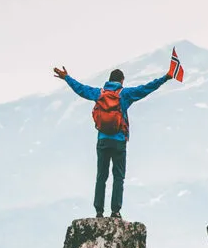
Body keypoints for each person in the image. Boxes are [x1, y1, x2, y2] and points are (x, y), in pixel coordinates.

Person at [53, 63, 172, 219]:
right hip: (119, 141)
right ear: (122, 81)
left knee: (101, 176)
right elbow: (146, 88)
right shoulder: (125, 94)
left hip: (103, 140)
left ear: (109, 80)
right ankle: (115, 211)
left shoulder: (98, 93)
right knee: (118, 176)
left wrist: (66, 78)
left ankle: (99, 211)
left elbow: (80, 89)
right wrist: (166, 77)